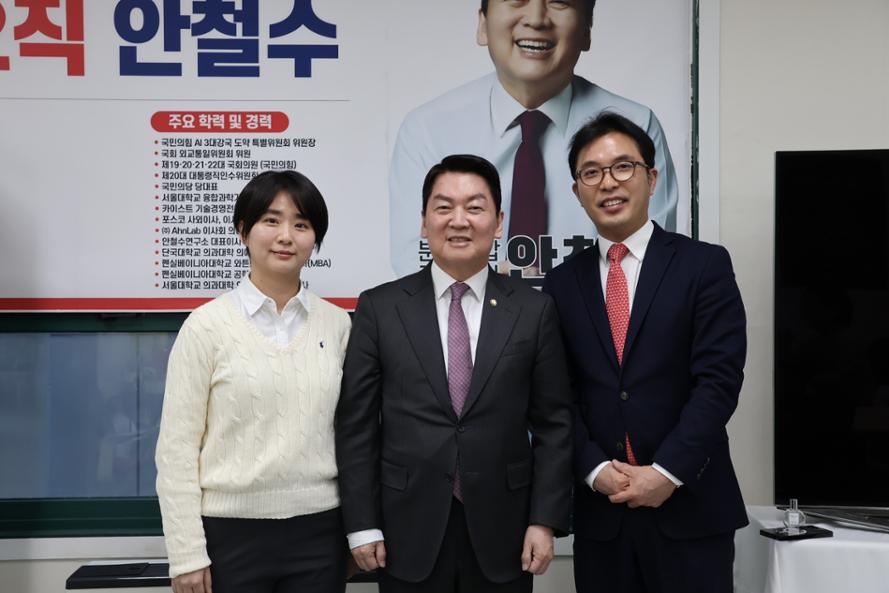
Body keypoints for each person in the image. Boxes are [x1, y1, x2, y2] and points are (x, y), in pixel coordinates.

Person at [336, 154, 573, 592]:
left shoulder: (533, 309)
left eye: (475, 207)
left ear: (498, 223)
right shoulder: (380, 308)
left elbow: (554, 424)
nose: (459, 220)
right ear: (424, 223)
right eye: (444, 207)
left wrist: (545, 519)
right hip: (405, 528)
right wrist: (362, 524)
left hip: (506, 530)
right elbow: (357, 427)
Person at [542, 113, 747, 593]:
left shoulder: (704, 265)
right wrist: (595, 470)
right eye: (591, 172)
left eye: (622, 167)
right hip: (603, 516)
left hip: (691, 508)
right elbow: (556, 397)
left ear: (651, 179)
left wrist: (667, 472)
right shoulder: (561, 283)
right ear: (576, 191)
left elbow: (718, 381)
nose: (607, 183)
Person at [155, 171, 351, 593]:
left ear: (315, 239)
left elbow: (355, 436)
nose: (286, 236)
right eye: (271, 220)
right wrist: (187, 553)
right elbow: (176, 451)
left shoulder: (338, 325)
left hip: (321, 532)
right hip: (229, 536)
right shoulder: (205, 326)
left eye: (301, 224)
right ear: (243, 230)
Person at [389, 0, 678, 278]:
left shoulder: (635, 126)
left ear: (587, 28)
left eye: (560, 1)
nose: (537, 19)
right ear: (483, 24)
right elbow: (419, 268)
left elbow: (649, 266)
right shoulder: (428, 130)